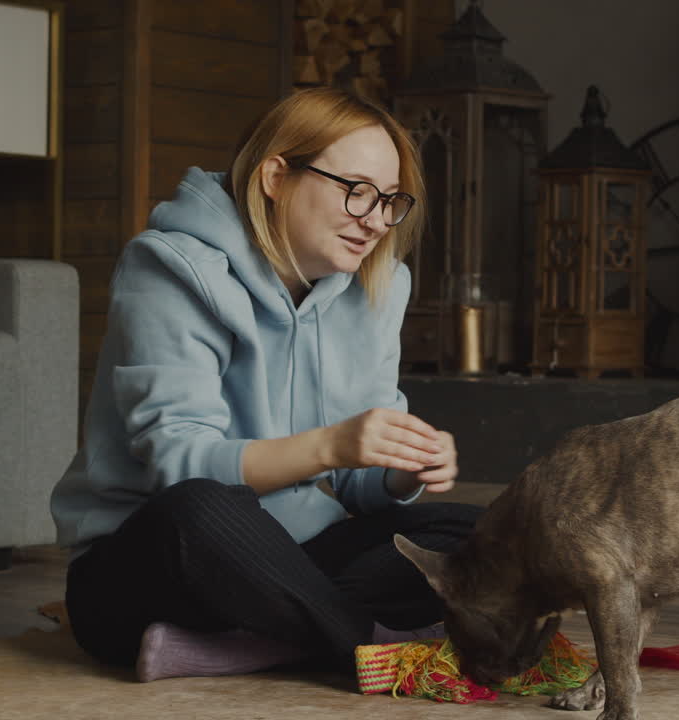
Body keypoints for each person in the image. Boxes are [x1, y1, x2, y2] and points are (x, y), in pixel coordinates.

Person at [50, 86, 483, 683]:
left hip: (293, 558)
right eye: (356, 190)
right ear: (276, 176)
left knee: (485, 534)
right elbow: (178, 466)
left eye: (390, 200)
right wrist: (331, 445)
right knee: (200, 507)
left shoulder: (379, 285)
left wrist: (402, 467)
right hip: (151, 570)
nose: (377, 220)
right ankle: (369, 648)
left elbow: (357, 486)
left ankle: (249, 647)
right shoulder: (169, 268)